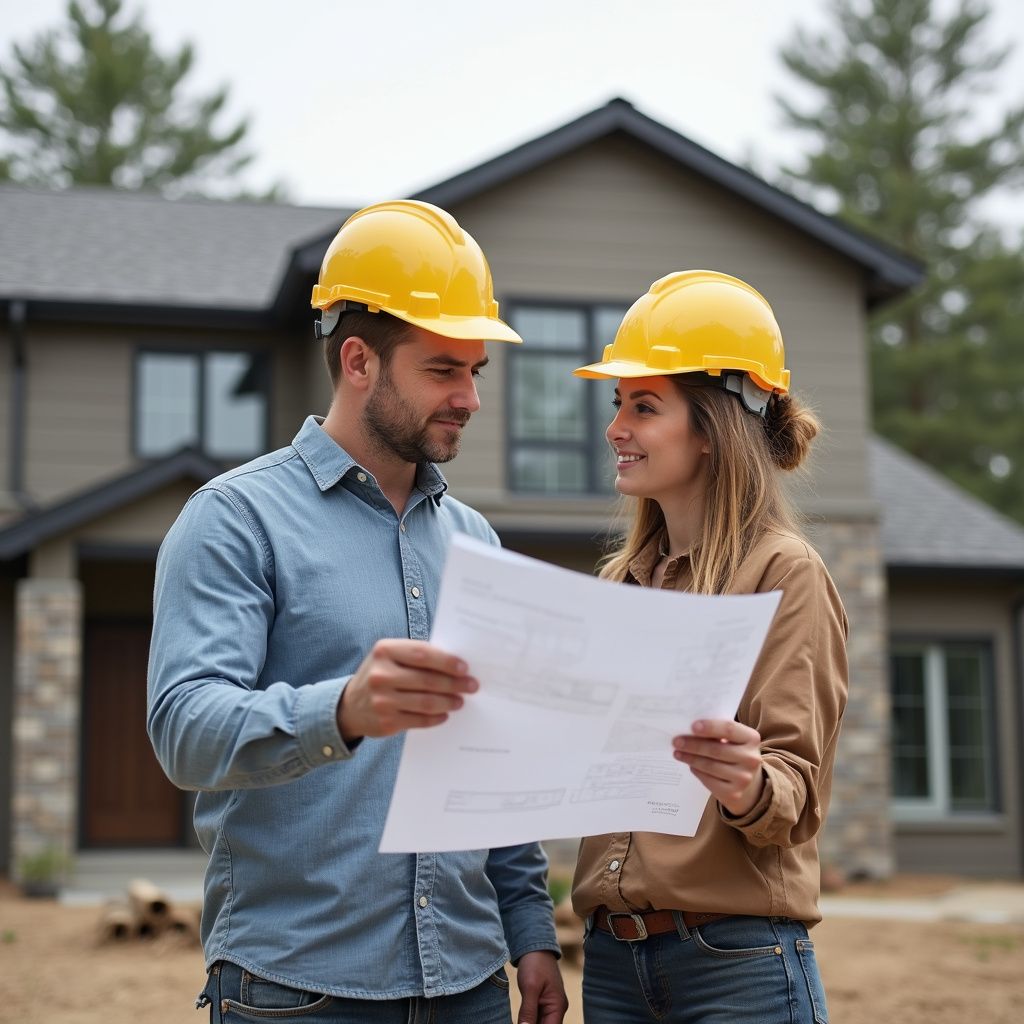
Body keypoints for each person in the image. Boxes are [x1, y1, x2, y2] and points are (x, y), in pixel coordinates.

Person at [148, 200, 568, 1024]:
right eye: (443, 369)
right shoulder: (235, 519)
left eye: (475, 371)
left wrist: (531, 933)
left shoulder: (476, 541)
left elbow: (495, 760)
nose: (470, 398)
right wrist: (341, 708)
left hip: (470, 986)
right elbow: (184, 728)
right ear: (358, 361)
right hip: (298, 991)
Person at [570, 270, 849, 1024]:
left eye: (644, 406)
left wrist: (746, 781)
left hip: (736, 967)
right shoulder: (619, 583)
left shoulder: (784, 574)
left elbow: (796, 793)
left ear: (710, 427)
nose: (616, 428)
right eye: (618, 405)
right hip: (612, 966)